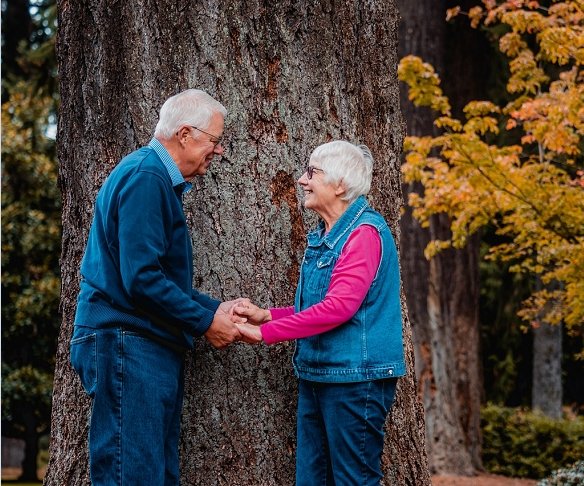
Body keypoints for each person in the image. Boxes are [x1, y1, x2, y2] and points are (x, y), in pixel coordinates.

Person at [69, 89, 247, 485]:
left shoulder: (153, 178)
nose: (217, 152)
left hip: (140, 344)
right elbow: (142, 282)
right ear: (185, 134)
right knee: (133, 477)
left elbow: (150, 277)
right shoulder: (147, 177)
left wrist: (216, 310)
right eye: (214, 141)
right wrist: (205, 322)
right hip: (128, 344)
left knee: (155, 476)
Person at [234, 140, 406, 486]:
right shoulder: (327, 235)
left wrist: (266, 334)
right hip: (320, 375)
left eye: (312, 172)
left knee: (353, 480)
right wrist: (268, 316)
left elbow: (339, 308)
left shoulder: (363, 235)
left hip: (355, 381)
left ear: (340, 185)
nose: (302, 180)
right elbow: (319, 308)